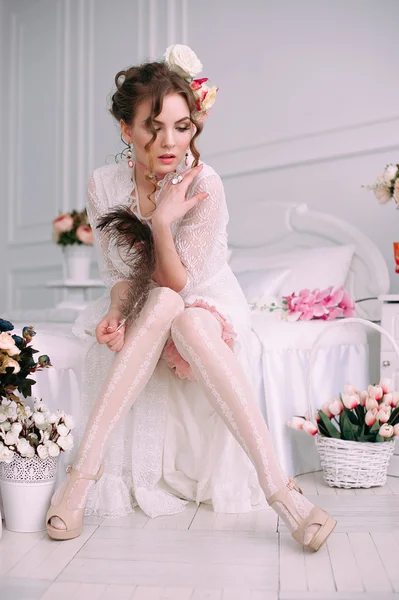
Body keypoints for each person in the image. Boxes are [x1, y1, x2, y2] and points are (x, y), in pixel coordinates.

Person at [46, 45, 336, 551]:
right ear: (125, 130)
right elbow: (123, 274)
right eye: (152, 126)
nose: (169, 141)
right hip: (144, 297)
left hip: (204, 294)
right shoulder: (104, 184)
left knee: (186, 317)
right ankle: (82, 475)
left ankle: (284, 495)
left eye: (182, 127)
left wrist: (161, 222)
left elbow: (181, 283)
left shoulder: (206, 183)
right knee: (159, 306)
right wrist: (117, 310)